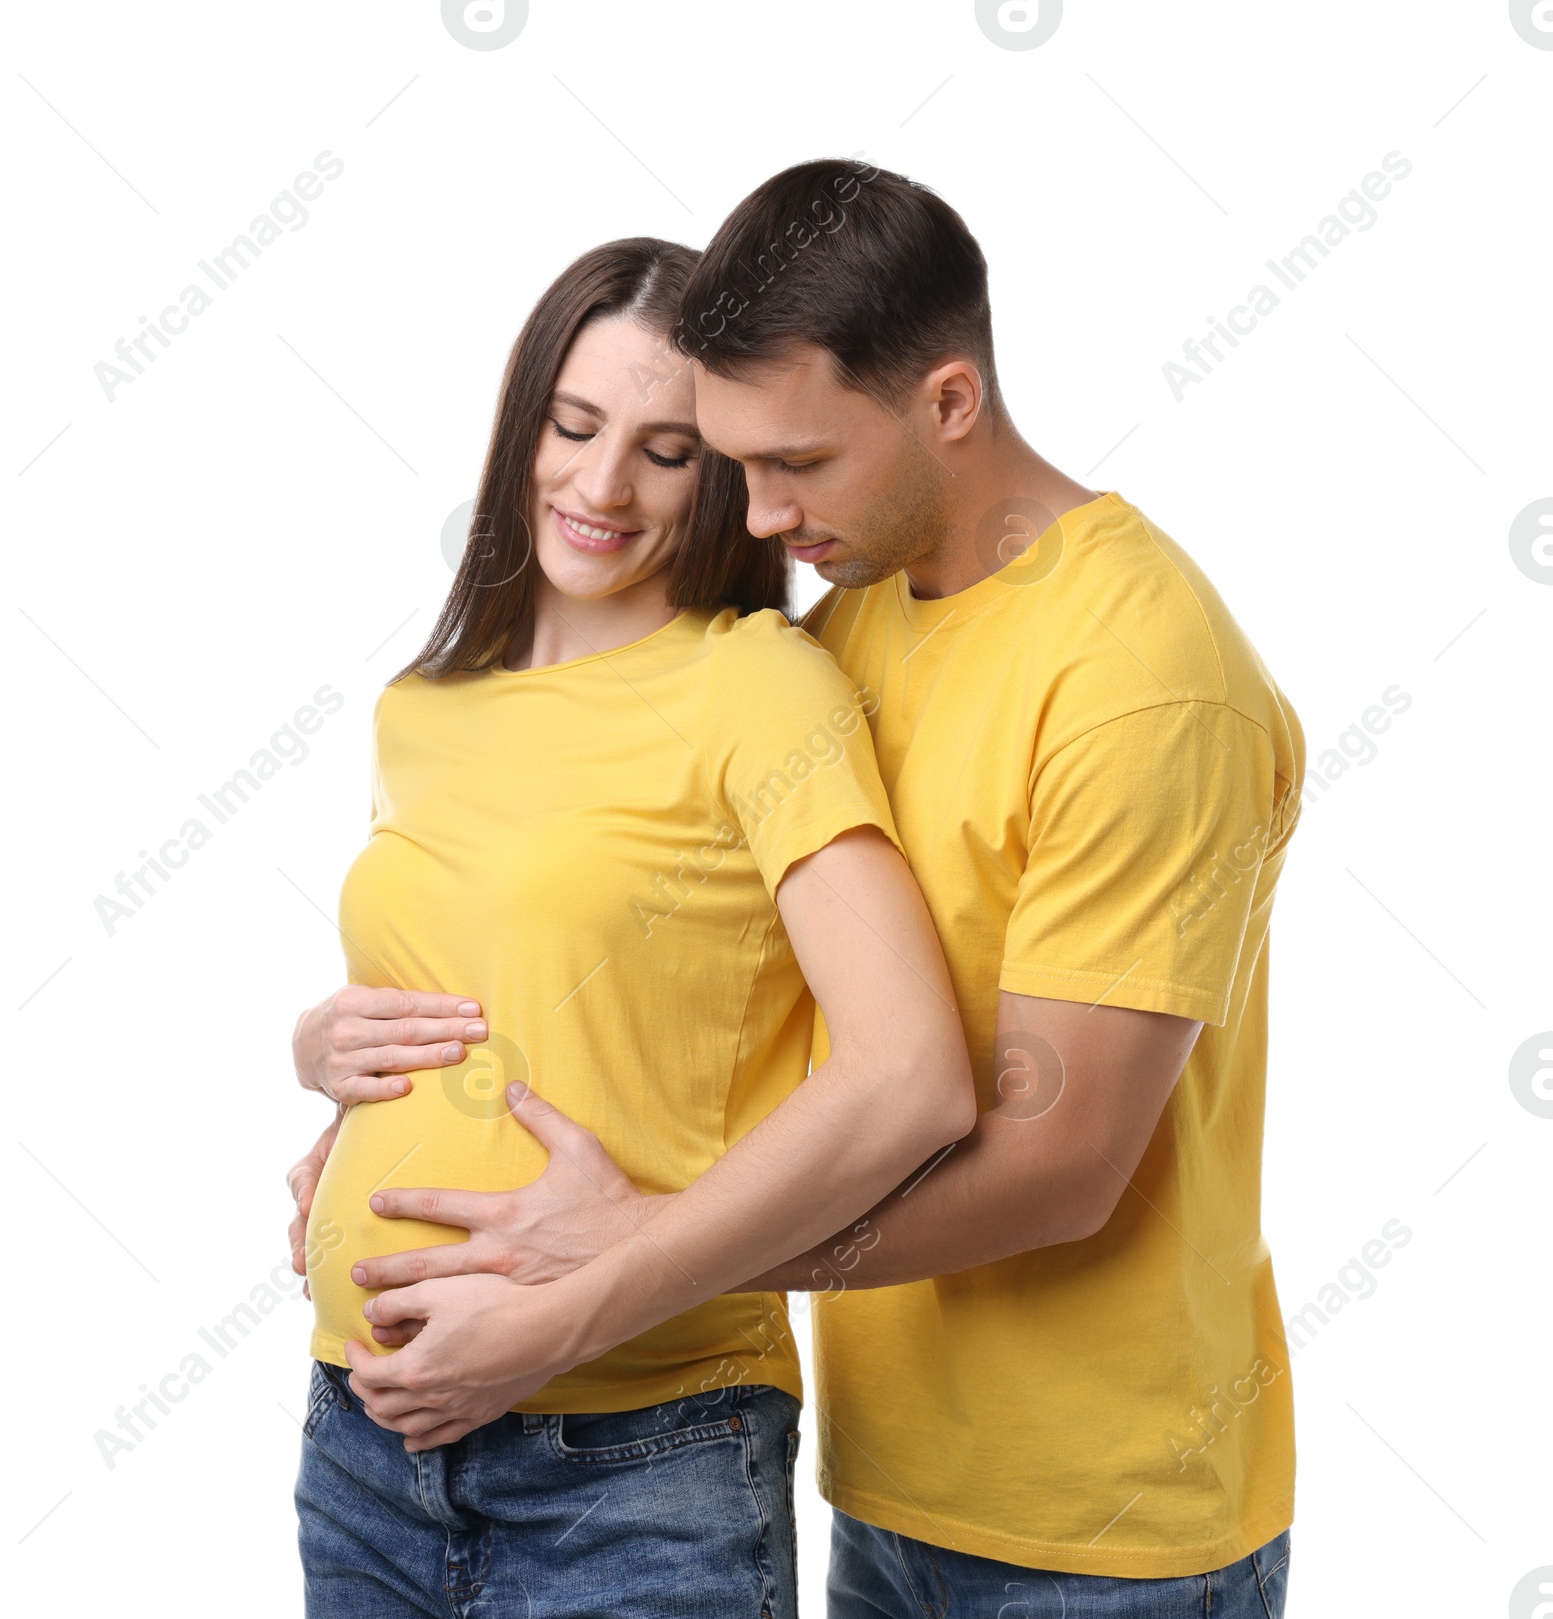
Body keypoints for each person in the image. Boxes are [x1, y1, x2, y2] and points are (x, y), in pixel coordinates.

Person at [293, 162, 1304, 1617]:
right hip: (894, 1478)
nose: (756, 517)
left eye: (797, 464)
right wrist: (364, 1102)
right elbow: (680, 969)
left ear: (948, 403)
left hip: (1111, 1524)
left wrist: (637, 1252)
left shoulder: (1143, 678)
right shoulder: (857, 621)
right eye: (738, 461)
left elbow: (1062, 1165)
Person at [286, 234, 976, 1619]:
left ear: (724, 473)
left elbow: (914, 1075)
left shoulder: (757, 690)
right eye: (576, 424)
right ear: (523, 419)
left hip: (638, 1463)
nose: (601, 485)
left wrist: (560, 1307)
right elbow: (528, 1003)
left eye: (667, 451)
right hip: (363, 1441)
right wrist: (331, 1079)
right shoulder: (423, 709)